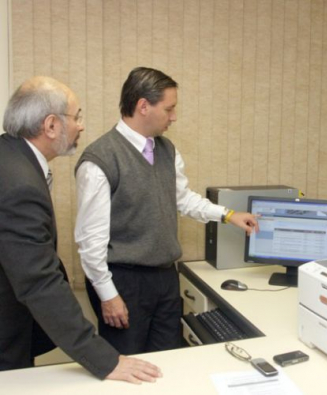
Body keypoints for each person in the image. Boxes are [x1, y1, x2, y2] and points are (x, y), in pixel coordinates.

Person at [75, 67, 259, 355]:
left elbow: (182, 199)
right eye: (169, 109)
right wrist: (108, 296)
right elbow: (90, 241)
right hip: (123, 281)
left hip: (164, 278)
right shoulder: (100, 161)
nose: (174, 117)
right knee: (128, 367)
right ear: (143, 106)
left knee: (169, 362)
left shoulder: (167, 150)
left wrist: (228, 215)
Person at [0, 76, 162, 383]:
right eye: (77, 117)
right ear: (50, 126)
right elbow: (38, 282)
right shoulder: (18, 182)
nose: (81, 126)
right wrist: (105, 359)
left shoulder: (10, 159)